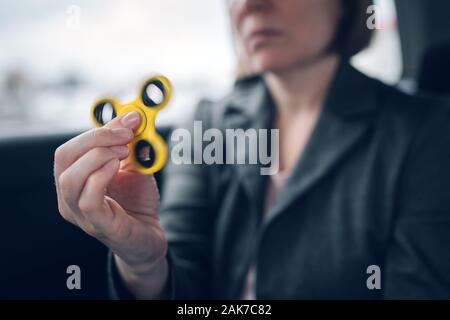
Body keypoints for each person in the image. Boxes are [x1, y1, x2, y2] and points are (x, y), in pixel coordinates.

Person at [54, 0, 450, 299]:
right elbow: (184, 286)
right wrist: (143, 263)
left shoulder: (424, 129)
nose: (249, 4)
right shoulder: (206, 122)